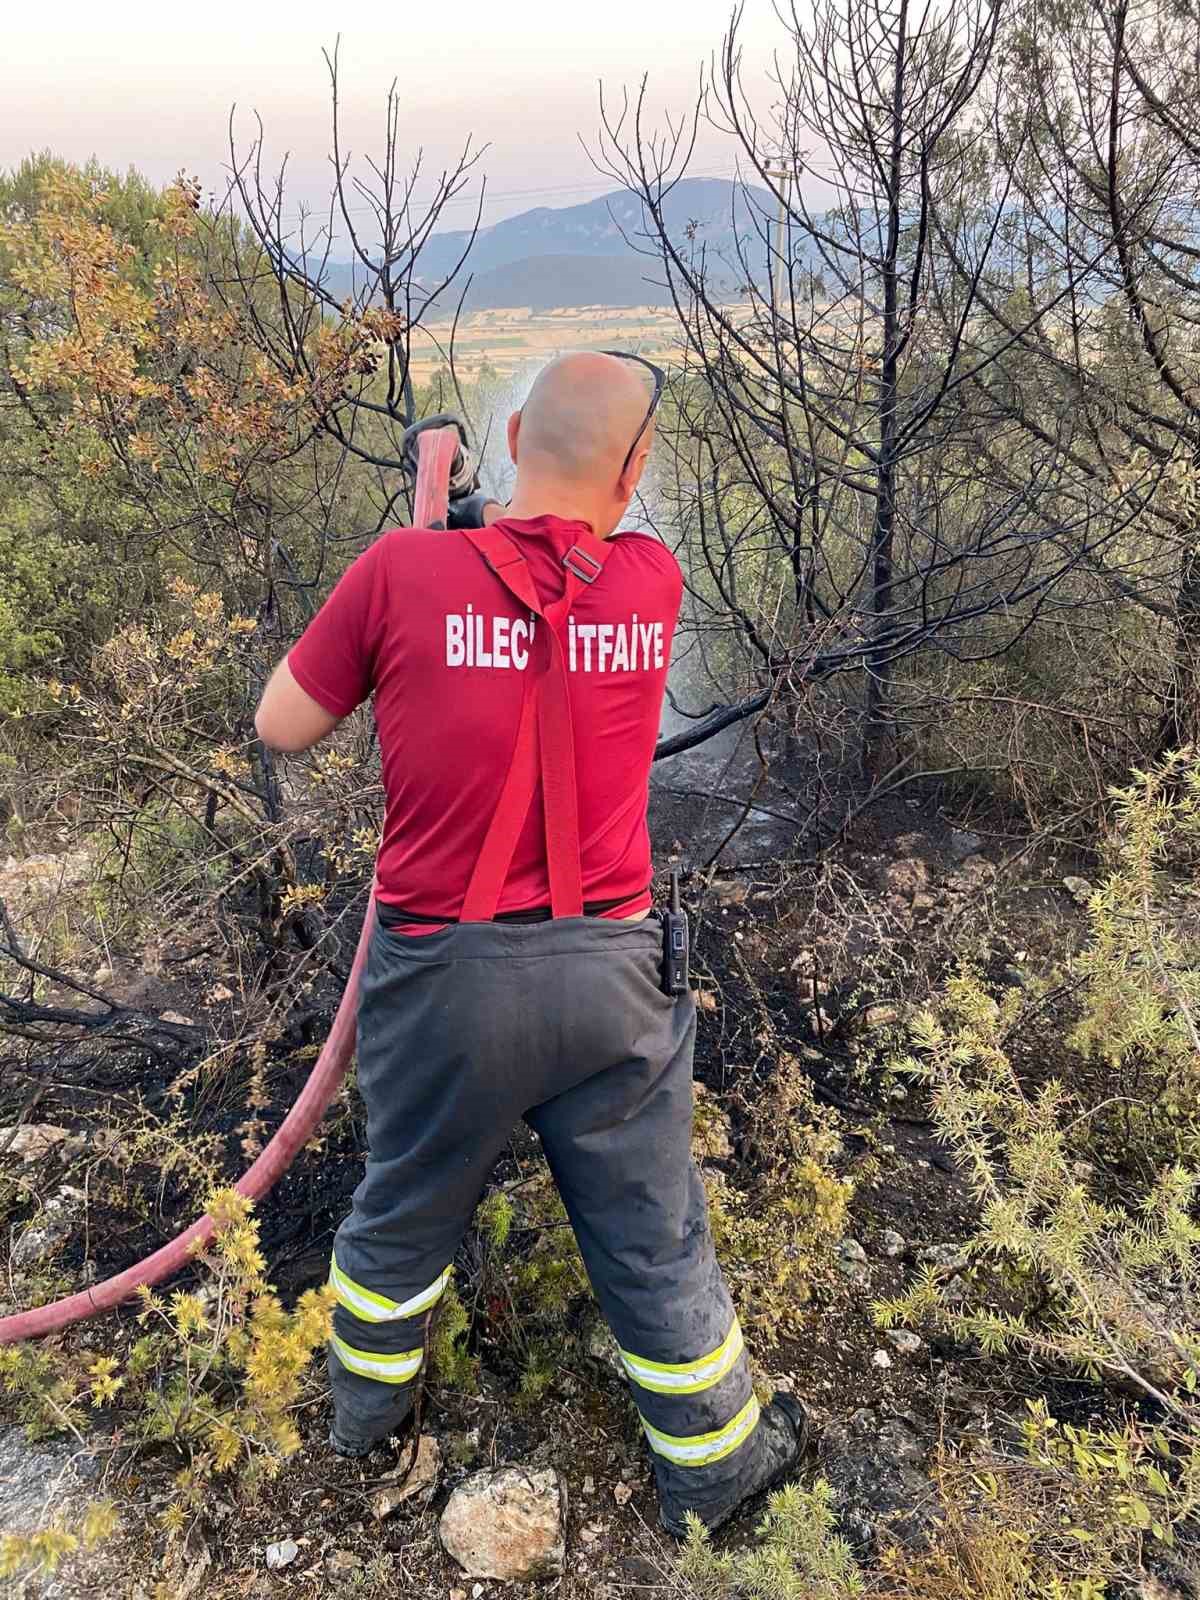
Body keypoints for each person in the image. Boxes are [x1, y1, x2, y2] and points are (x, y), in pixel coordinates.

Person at [254, 351, 807, 1536]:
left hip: (444, 983)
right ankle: (713, 1469)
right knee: (654, 1231)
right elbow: (572, 566)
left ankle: (366, 1429)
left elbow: (282, 724)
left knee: (398, 1215)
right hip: (613, 983)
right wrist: (485, 542)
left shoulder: (403, 572)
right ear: (642, 465)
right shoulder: (651, 584)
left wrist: (440, 539)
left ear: (510, 435)